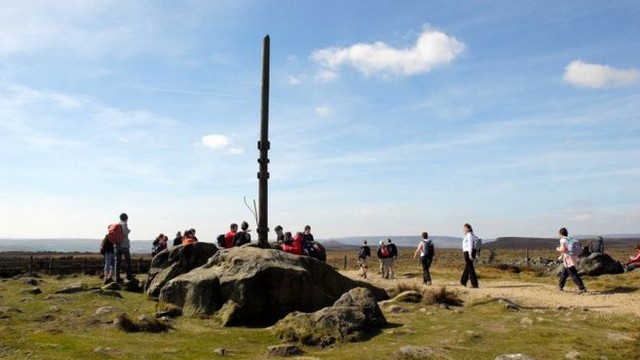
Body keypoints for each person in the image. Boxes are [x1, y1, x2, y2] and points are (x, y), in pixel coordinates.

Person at [556, 227, 587, 294]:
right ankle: (560, 286)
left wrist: (558, 249)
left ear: (560, 233)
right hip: (573, 256)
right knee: (565, 272)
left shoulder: (563, 240)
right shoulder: (570, 239)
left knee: (572, 272)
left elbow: (563, 250)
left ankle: (582, 288)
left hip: (567, 257)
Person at [114, 212, 133, 282]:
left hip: (117, 246)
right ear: (126, 218)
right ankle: (129, 276)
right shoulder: (124, 224)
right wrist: (129, 230)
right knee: (128, 262)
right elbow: (125, 232)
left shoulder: (117, 224)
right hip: (124, 245)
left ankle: (117, 277)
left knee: (117, 263)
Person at [460, 223, 479, 288]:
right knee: (467, 267)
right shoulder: (472, 235)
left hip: (468, 252)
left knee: (470, 267)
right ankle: (463, 281)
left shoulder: (469, 235)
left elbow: (470, 244)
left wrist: (470, 254)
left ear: (468, 228)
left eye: (464, 228)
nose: (463, 229)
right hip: (469, 252)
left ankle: (474, 284)